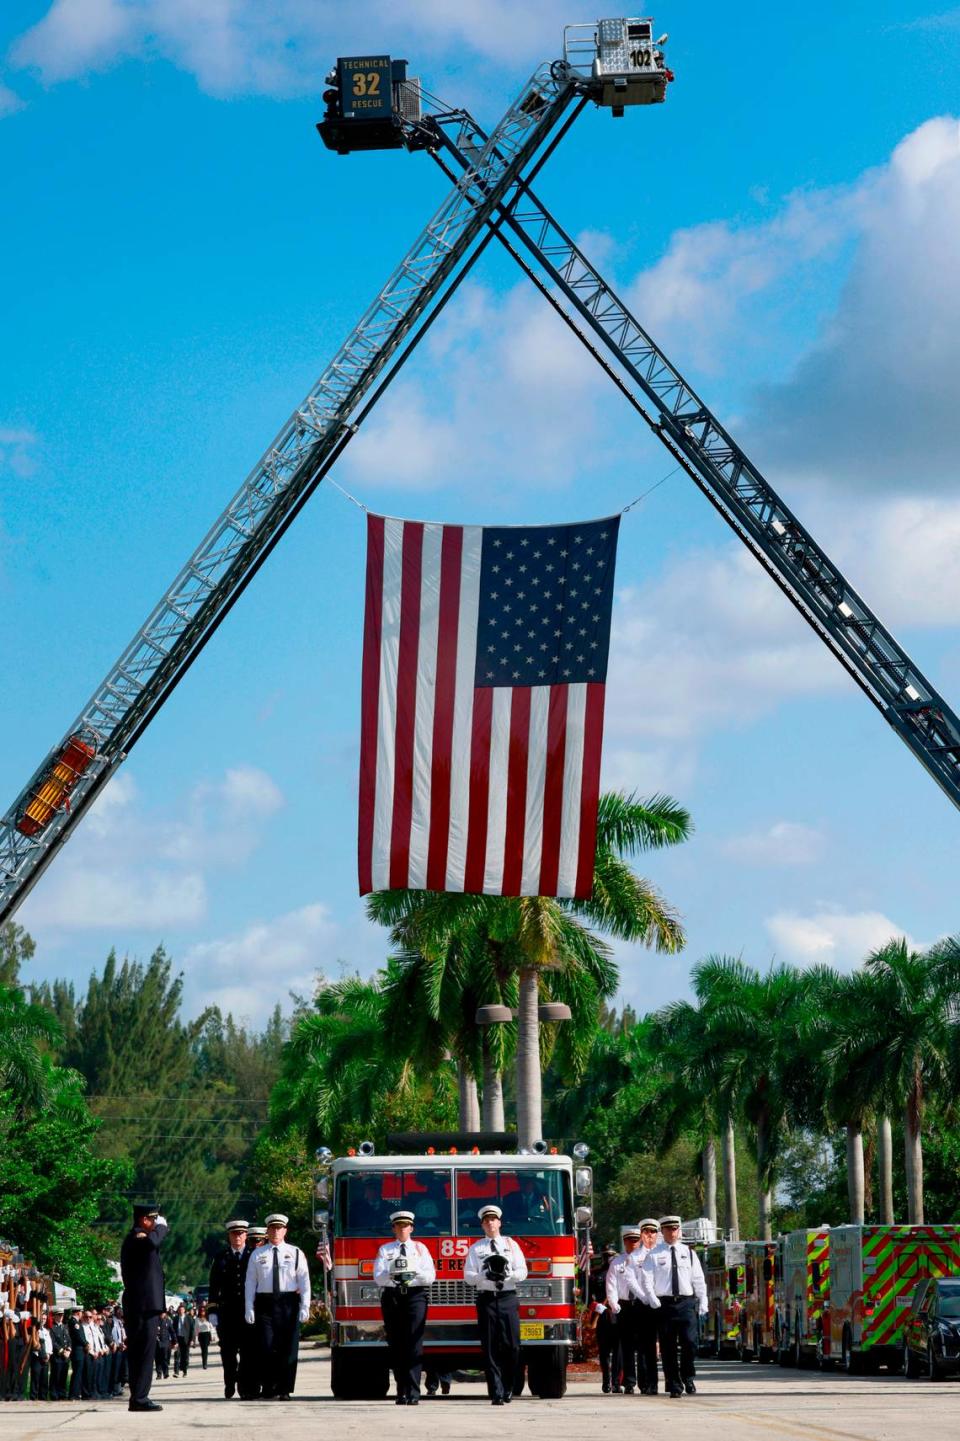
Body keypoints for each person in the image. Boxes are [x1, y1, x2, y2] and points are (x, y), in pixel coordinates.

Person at [463, 1204, 528, 1406]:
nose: (490, 1223)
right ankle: (496, 1392)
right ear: (482, 1225)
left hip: (508, 1297)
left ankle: (509, 1386)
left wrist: (508, 1274)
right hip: (487, 1299)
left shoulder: (511, 1245)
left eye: (493, 1219)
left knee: (513, 1346)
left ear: (499, 1222)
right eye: (486, 1220)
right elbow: (468, 1277)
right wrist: (484, 1274)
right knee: (490, 1347)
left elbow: (523, 1271)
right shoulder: (476, 1249)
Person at [244, 1212, 311, 1401]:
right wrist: (249, 1306)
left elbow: (304, 1281)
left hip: (288, 1302)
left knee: (287, 1348)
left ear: (285, 1231)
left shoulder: (295, 1252)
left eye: (279, 1228)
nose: (275, 1232)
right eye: (272, 1228)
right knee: (266, 1346)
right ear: (267, 1231)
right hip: (265, 1303)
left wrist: (305, 1305)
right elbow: (250, 1282)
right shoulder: (258, 1254)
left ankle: (285, 1388)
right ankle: (268, 1386)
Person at [373, 1209, 436, 1405]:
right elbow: (379, 1277)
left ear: (412, 1228)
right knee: (396, 1344)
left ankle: (414, 1393)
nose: (402, 1229)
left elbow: (429, 1276)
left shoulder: (420, 1249)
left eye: (406, 1225)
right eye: (398, 1226)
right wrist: (395, 1275)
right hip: (392, 1297)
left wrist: (409, 1271)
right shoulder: (385, 1250)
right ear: (393, 1228)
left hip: (415, 1297)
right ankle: (401, 1391)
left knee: (414, 1344)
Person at [642, 1215, 708, 1399]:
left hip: (686, 1303)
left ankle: (687, 1375)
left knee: (690, 1342)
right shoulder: (654, 1255)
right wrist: (652, 1298)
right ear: (662, 1232)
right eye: (668, 1229)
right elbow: (647, 1279)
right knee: (668, 1346)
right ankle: (674, 1385)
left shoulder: (689, 1252)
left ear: (679, 1231)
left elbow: (698, 1279)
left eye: (675, 1229)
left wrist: (703, 1300)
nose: (672, 1232)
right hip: (665, 1305)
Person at [120, 1200, 168, 1413]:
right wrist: (162, 1228)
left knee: (143, 1351)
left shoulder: (141, 1238)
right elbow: (152, 1243)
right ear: (144, 1219)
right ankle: (139, 1397)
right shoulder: (138, 1239)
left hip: (144, 1304)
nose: (157, 1222)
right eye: (154, 1219)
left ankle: (139, 1396)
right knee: (143, 1352)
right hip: (142, 1304)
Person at [605, 1227, 660, 1395]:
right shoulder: (617, 1262)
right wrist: (614, 1303)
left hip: (643, 1305)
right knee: (626, 1347)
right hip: (625, 1306)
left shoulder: (648, 1259)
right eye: (629, 1240)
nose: (633, 1243)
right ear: (624, 1242)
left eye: (636, 1240)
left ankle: (645, 1383)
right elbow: (611, 1285)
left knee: (645, 1346)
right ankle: (629, 1382)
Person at [209, 1220, 255, 1399]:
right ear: (229, 1236)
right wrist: (212, 1310)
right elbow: (214, 1286)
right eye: (234, 1234)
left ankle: (243, 1386)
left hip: (246, 1311)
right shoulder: (221, 1257)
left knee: (246, 1351)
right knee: (228, 1352)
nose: (238, 1237)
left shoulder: (253, 1255)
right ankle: (229, 1382)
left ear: (246, 1235)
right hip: (227, 1313)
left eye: (241, 1234)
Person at [632, 1218, 662, 1394]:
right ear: (641, 1234)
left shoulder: (662, 1253)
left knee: (665, 1343)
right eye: (646, 1232)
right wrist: (645, 1297)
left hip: (661, 1304)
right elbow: (631, 1281)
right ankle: (647, 1383)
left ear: (657, 1235)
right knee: (646, 1347)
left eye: (652, 1232)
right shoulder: (634, 1257)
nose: (649, 1236)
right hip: (643, 1305)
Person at [589, 1245, 622, 1393]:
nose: (608, 1259)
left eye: (611, 1256)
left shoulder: (621, 1274)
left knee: (618, 1351)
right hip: (602, 1316)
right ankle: (606, 1381)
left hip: (618, 1314)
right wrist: (597, 1307)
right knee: (604, 1352)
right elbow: (588, 1298)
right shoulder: (595, 1275)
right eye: (606, 1256)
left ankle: (616, 1382)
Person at [49, 1308, 71, 1400]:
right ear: (54, 1316)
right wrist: (62, 1351)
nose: (61, 1317)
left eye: (62, 1315)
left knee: (63, 1375)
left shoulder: (65, 1326)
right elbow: (53, 1342)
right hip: (57, 1355)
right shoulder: (52, 1327)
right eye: (59, 1315)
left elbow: (69, 1339)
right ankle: (54, 1393)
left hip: (66, 1355)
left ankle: (62, 1392)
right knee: (56, 1375)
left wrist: (69, 1349)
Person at [67, 1308, 87, 1400]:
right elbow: (78, 1336)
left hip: (80, 1350)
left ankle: (76, 1392)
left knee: (79, 1372)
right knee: (77, 1373)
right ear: (78, 1313)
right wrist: (86, 1343)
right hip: (77, 1350)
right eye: (81, 1312)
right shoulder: (74, 1322)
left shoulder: (76, 1322)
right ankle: (73, 1394)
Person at [173, 1303, 196, 1375]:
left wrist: (192, 1340)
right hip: (178, 1339)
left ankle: (184, 1371)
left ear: (184, 1310)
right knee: (177, 1355)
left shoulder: (189, 1318)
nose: (181, 1311)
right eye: (179, 1310)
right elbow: (173, 1330)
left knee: (185, 1356)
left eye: (182, 1310)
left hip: (186, 1339)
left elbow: (192, 1330)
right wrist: (173, 1341)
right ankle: (176, 1372)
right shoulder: (176, 1318)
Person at [155, 1311, 175, 1380]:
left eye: (163, 1313)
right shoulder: (155, 1321)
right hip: (156, 1342)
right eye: (161, 1314)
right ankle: (159, 1374)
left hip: (165, 1342)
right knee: (157, 1359)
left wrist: (174, 1341)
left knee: (164, 1358)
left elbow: (172, 1331)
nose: (162, 1315)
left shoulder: (168, 1321)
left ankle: (166, 1373)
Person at [195, 1305, 213, 1369]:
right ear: (199, 1312)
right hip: (201, 1335)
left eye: (204, 1311)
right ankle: (204, 1363)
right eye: (201, 1311)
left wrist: (212, 1336)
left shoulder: (208, 1318)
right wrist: (195, 1339)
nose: (203, 1312)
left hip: (207, 1334)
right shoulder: (197, 1319)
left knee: (205, 1349)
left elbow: (211, 1327)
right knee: (204, 1350)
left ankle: (205, 1363)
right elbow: (196, 1328)